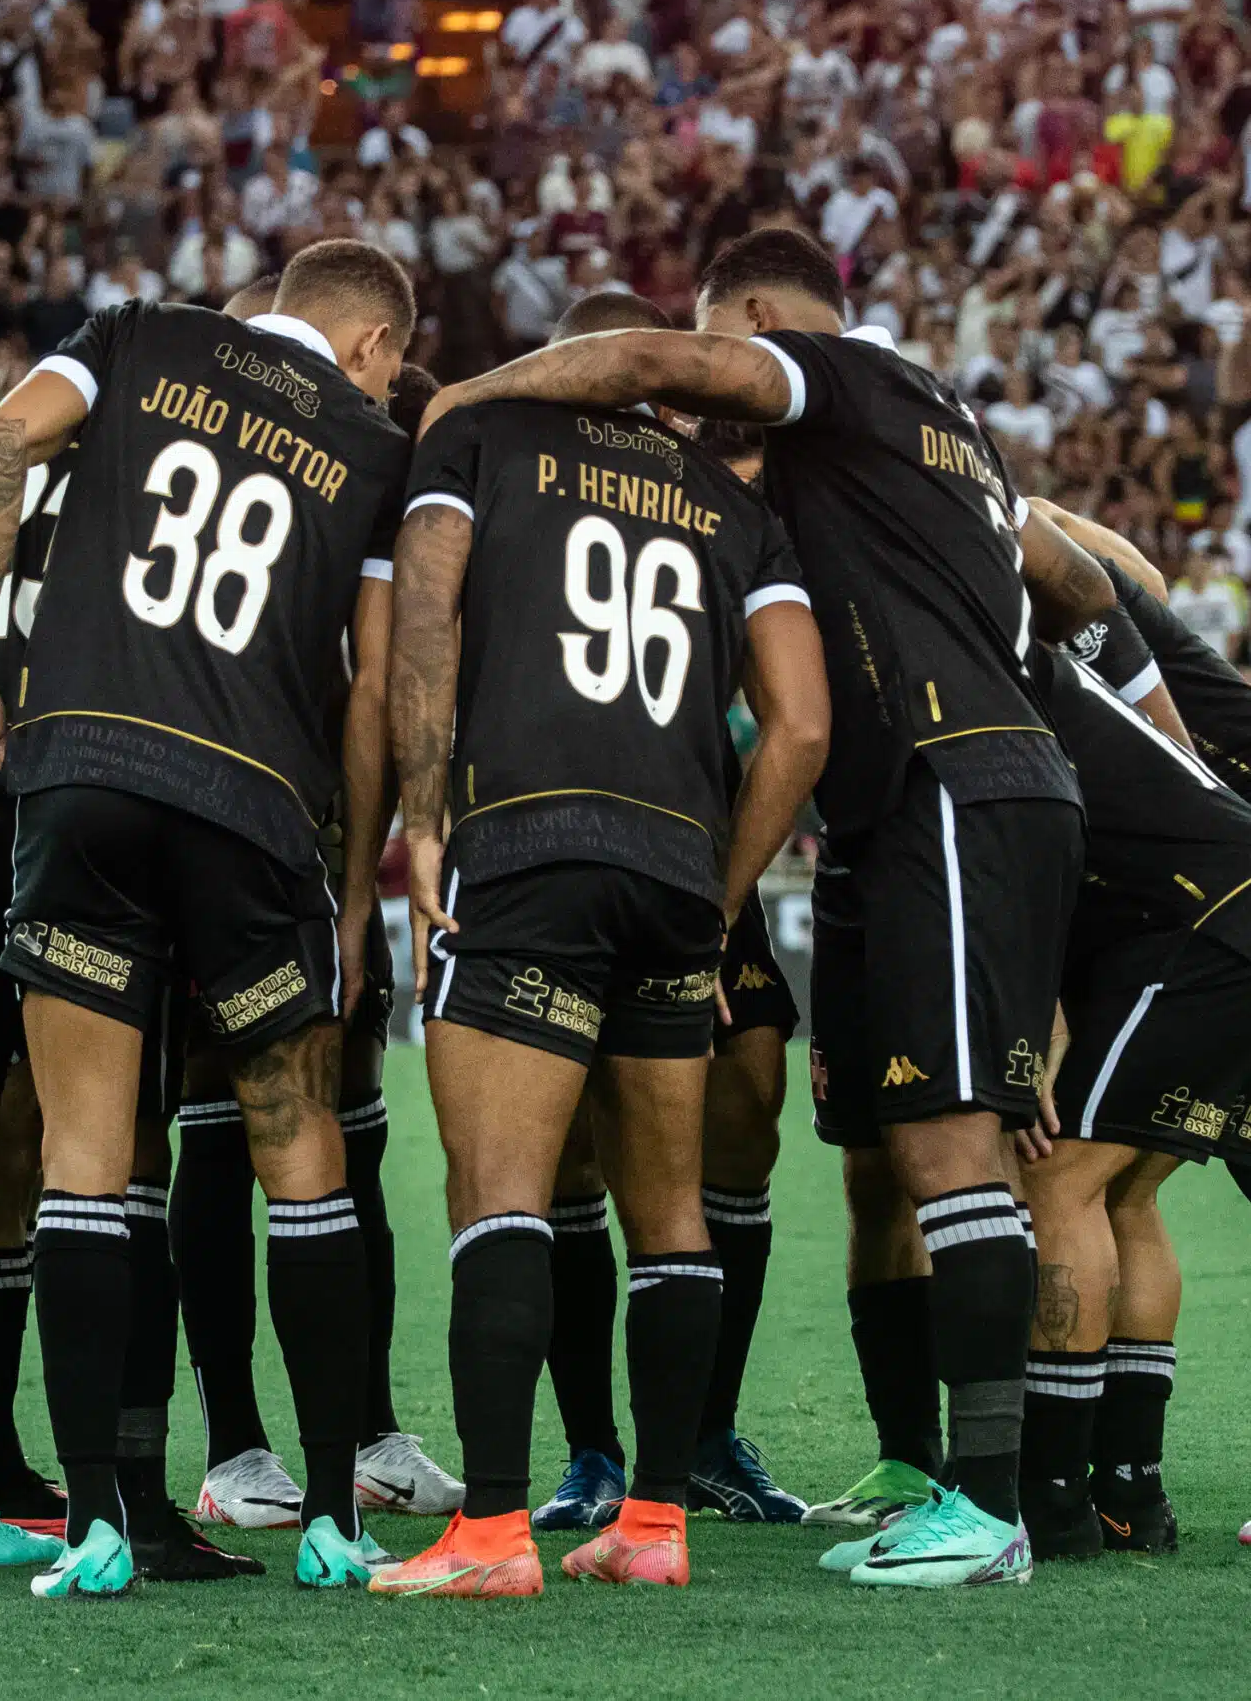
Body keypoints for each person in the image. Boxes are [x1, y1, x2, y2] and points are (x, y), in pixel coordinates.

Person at [416, 227, 1135, 1590]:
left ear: (755, 319)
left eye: (726, 353)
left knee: (950, 1156)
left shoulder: (839, 376)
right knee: (913, 1151)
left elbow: (637, 358)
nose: (707, 406)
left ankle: (986, 1508)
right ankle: (939, 1486)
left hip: (944, 781)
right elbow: (1078, 585)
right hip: (971, 792)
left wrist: (466, 402)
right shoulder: (950, 432)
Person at [0, 240, 416, 1599]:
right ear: (375, 345)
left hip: (84, 764)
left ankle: (96, 1521)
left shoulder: (142, 333)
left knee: (86, 1155)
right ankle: (330, 1512)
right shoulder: (373, 450)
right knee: (297, 1143)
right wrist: (354, 876)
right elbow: (372, 688)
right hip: (253, 804)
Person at [365, 291, 828, 1597]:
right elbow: (799, 724)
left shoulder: (479, 434)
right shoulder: (734, 504)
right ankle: (656, 1521)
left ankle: (495, 1533)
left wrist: (421, 820)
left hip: (527, 843)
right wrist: (721, 890)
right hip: (675, 870)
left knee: (501, 1190)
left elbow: (426, 613)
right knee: (669, 1206)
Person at [0, 430, 258, 1587]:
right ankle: (131, 1504)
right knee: (119, 1153)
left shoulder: (34, 458)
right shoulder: (188, 476)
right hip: (85, 785)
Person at [168, 307, 463, 1536]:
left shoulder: (378, 471)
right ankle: (235, 1443)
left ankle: (370, 1430)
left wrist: (361, 882)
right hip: (223, 823)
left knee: (351, 1143)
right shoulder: (280, 450)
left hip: (327, 844)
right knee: (220, 1131)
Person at [1036, 507, 1251, 1550]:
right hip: (1166, 876)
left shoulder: (1027, 559)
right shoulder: (1039, 590)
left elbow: (1108, 567)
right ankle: (1121, 1484)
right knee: (1125, 1177)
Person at [531, 420, 812, 1535]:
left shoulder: (729, 509)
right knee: (564, 1149)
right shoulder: (533, 485)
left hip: (695, 842)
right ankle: (593, 1450)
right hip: (555, 832)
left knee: (744, 1111)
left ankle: (701, 1436)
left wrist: (729, 893)